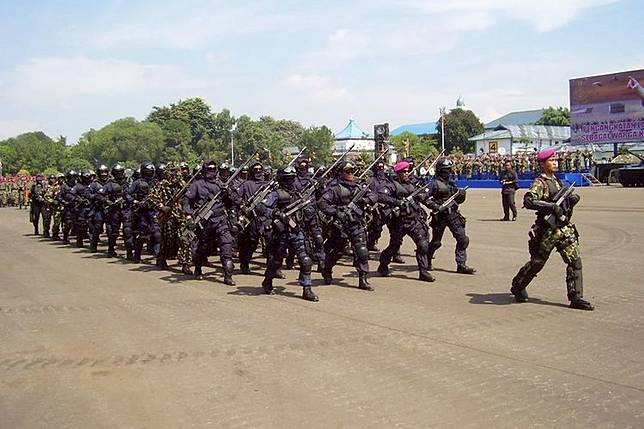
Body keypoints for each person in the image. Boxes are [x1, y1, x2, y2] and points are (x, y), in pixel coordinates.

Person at [510, 148, 594, 311]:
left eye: (556, 160)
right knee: (537, 263)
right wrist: (551, 207)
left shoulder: (559, 181)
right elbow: (528, 201)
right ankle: (518, 286)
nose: (555, 162)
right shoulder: (540, 182)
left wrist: (572, 201)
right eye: (551, 160)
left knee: (575, 261)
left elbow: (564, 202)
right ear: (542, 164)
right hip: (547, 230)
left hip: (563, 228)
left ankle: (576, 297)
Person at [258, 166, 318, 301]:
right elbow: (261, 207)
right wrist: (277, 213)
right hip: (281, 233)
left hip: (296, 231)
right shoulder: (276, 194)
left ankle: (306, 288)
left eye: (292, 178)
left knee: (305, 260)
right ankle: (267, 281)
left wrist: (307, 210)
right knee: (276, 260)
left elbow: (309, 210)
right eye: (287, 179)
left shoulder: (297, 194)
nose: (290, 181)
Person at [318, 161, 376, 291]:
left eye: (352, 171)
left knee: (362, 251)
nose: (350, 174)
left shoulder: (359, 187)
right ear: (341, 173)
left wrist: (366, 200)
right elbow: (322, 203)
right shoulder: (335, 189)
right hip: (341, 226)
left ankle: (363, 278)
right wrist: (337, 212)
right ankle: (327, 270)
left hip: (356, 223)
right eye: (347, 171)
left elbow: (374, 195)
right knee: (337, 251)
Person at [376, 161, 435, 282]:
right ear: (398, 173)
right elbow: (381, 196)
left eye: (407, 171)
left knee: (423, 245)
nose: (406, 173)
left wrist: (435, 206)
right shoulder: (391, 185)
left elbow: (424, 198)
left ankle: (423, 271)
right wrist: (397, 202)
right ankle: (383, 264)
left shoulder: (413, 185)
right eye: (404, 171)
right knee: (394, 246)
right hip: (398, 221)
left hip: (413, 220)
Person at [182, 160, 236, 284]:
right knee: (203, 248)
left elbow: (231, 203)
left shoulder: (221, 184)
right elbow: (187, 200)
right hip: (205, 223)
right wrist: (189, 216)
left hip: (221, 221)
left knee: (226, 245)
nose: (211, 170)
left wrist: (227, 193)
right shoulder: (197, 184)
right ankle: (198, 268)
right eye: (209, 168)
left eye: (213, 168)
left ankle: (228, 275)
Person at [426, 158, 476, 274]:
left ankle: (461, 264)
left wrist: (462, 195)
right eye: (445, 170)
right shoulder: (434, 184)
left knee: (463, 239)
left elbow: (457, 200)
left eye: (449, 170)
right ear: (440, 171)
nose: (448, 173)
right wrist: (435, 206)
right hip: (440, 217)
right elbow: (423, 197)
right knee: (436, 242)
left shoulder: (451, 184)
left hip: (453, 215)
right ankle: (427, 260)